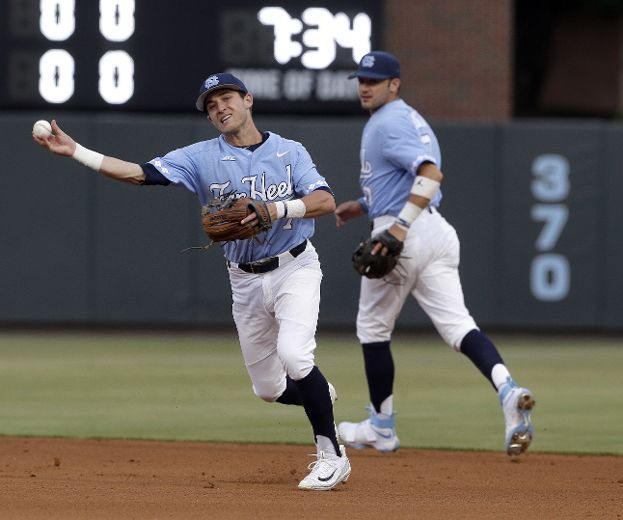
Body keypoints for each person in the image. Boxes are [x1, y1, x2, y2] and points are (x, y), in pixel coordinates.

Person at [32, 72, 351, 490]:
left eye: (226, 98)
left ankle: (331, 455)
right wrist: (78, 152)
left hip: (296, 268)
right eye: (211, 104)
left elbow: (324, 201)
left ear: (248, 99)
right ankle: (318, 393)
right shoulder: (200, 157)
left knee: (295, 355)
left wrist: (276, 210)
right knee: (269, 389)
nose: (220, 107)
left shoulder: (290, 152)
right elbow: (139, 173)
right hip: (245, 280)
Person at [334, 51, 536, 456]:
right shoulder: (408, 118)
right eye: (362, 79)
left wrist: (398, 226)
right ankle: (508, 391)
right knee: (459, 327)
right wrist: (364, 204)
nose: (365, 86)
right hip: (437, 231)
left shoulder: (387, 123)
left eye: (374, 80)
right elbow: (412, 179)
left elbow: (430, 174)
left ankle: (381, 427)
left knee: (373, 330)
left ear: (395, 84)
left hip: (404, 232)